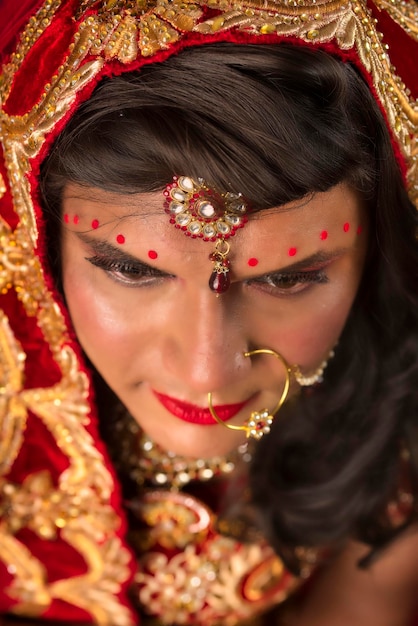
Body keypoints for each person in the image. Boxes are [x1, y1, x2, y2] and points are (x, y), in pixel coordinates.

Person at [0, 0, 417, 625]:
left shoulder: (399, 439)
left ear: (375, 251)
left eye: (287, 278)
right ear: (37, 242)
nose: (206, 369)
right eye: (133, 269)